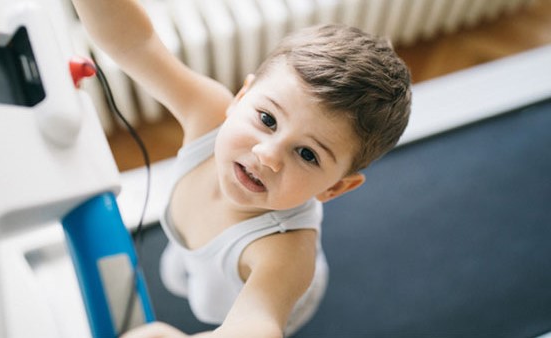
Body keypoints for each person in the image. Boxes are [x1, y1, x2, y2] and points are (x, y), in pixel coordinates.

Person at [71, 0, 411, 337]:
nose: (267, 155)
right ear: (240, 98)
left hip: (278, 300)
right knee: (181, 275)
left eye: (307, 154)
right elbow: (136, 44)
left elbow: (257, 324)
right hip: (197, 257)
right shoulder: (208, 114)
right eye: (267, 119)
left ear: (333, 189)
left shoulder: (287, 255)